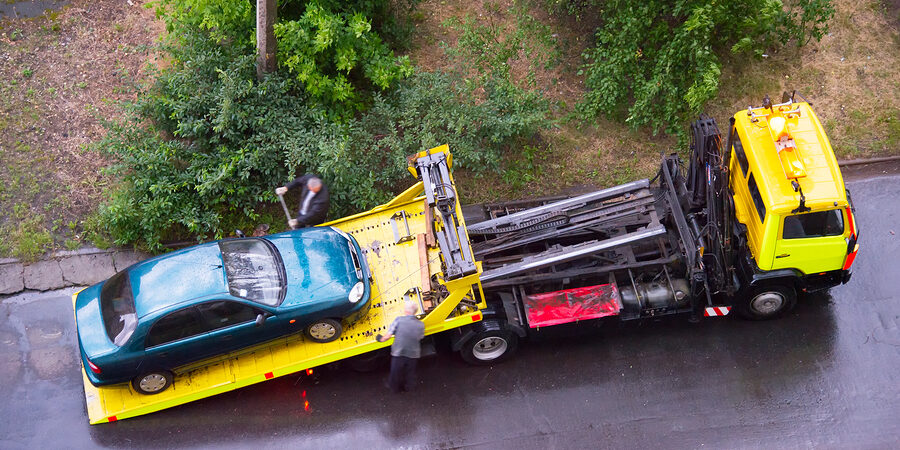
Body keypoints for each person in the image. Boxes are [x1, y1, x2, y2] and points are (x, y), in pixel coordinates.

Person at [377, 301, 425, 393]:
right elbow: (420, 337)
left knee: (396, 372)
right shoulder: (420, 325)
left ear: (406, 311)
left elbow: (389, 335)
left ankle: (394, 388)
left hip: (399, 352)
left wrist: (380, 339)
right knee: (410, 373)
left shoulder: (399, 320)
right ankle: (409, 387)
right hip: (413, 354)